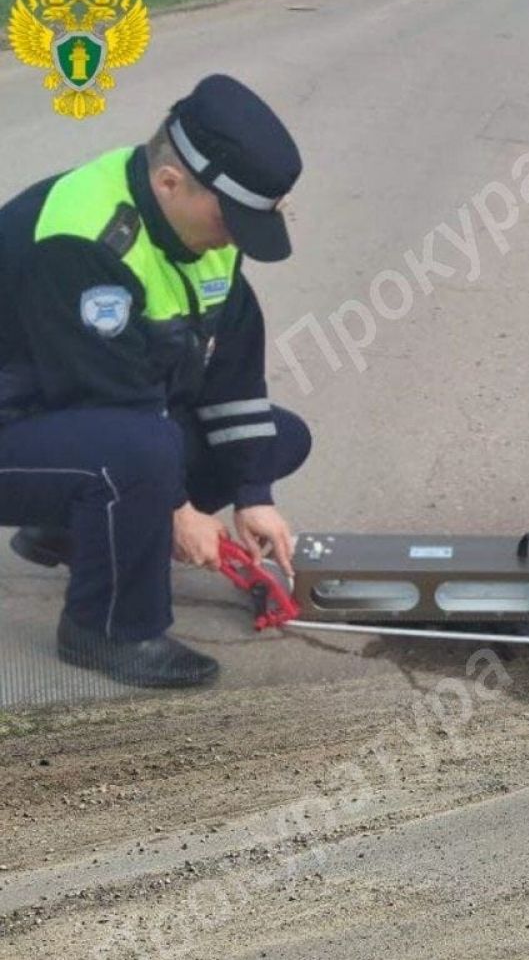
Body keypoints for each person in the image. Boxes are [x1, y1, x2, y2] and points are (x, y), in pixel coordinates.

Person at [0, 74, 311, 688]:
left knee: (278, 437)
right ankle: (109, 629)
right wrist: (180, 510)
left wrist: (253, 492)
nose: (237, 237)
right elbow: (108, 402)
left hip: (66, 413)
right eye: (234, 218)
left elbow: (231, 369)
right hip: (23, 416)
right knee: (142, 453)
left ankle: (68, 530)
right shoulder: (82, 239)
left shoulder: (204, 233)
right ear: (170, 182)